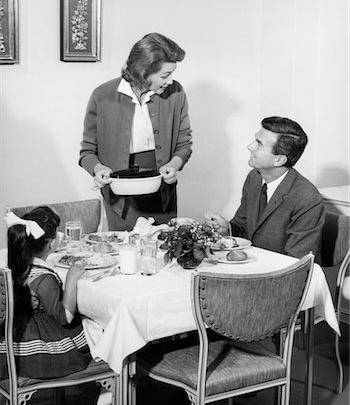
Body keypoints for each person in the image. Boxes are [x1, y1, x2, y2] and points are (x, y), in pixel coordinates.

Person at [79, 32, 193, 231]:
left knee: (163, 254)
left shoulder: (175, 93)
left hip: (161, 194)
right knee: (125, 255)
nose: (170, 81)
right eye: (165, 75)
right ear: (142, 72)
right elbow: (87, 152)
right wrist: (99, 169)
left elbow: (184, 144)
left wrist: (174, 165)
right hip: (120, 197)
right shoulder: (102, 95)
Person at [206, 116, 325, 261]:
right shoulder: (254, 178)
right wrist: (227, 229)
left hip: (280, 277)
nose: (250, 147)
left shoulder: (307, 198)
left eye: (259, 144)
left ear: (279, 160)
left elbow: (297, 263)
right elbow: (243, 227)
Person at [0, 207, 91, 379]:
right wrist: (71, 279)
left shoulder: (17, 265)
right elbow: (65, 318)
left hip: (12, 337)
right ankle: (109, 378)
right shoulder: (44, 278)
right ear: (51, 244)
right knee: (94, 326)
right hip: (39, 349)